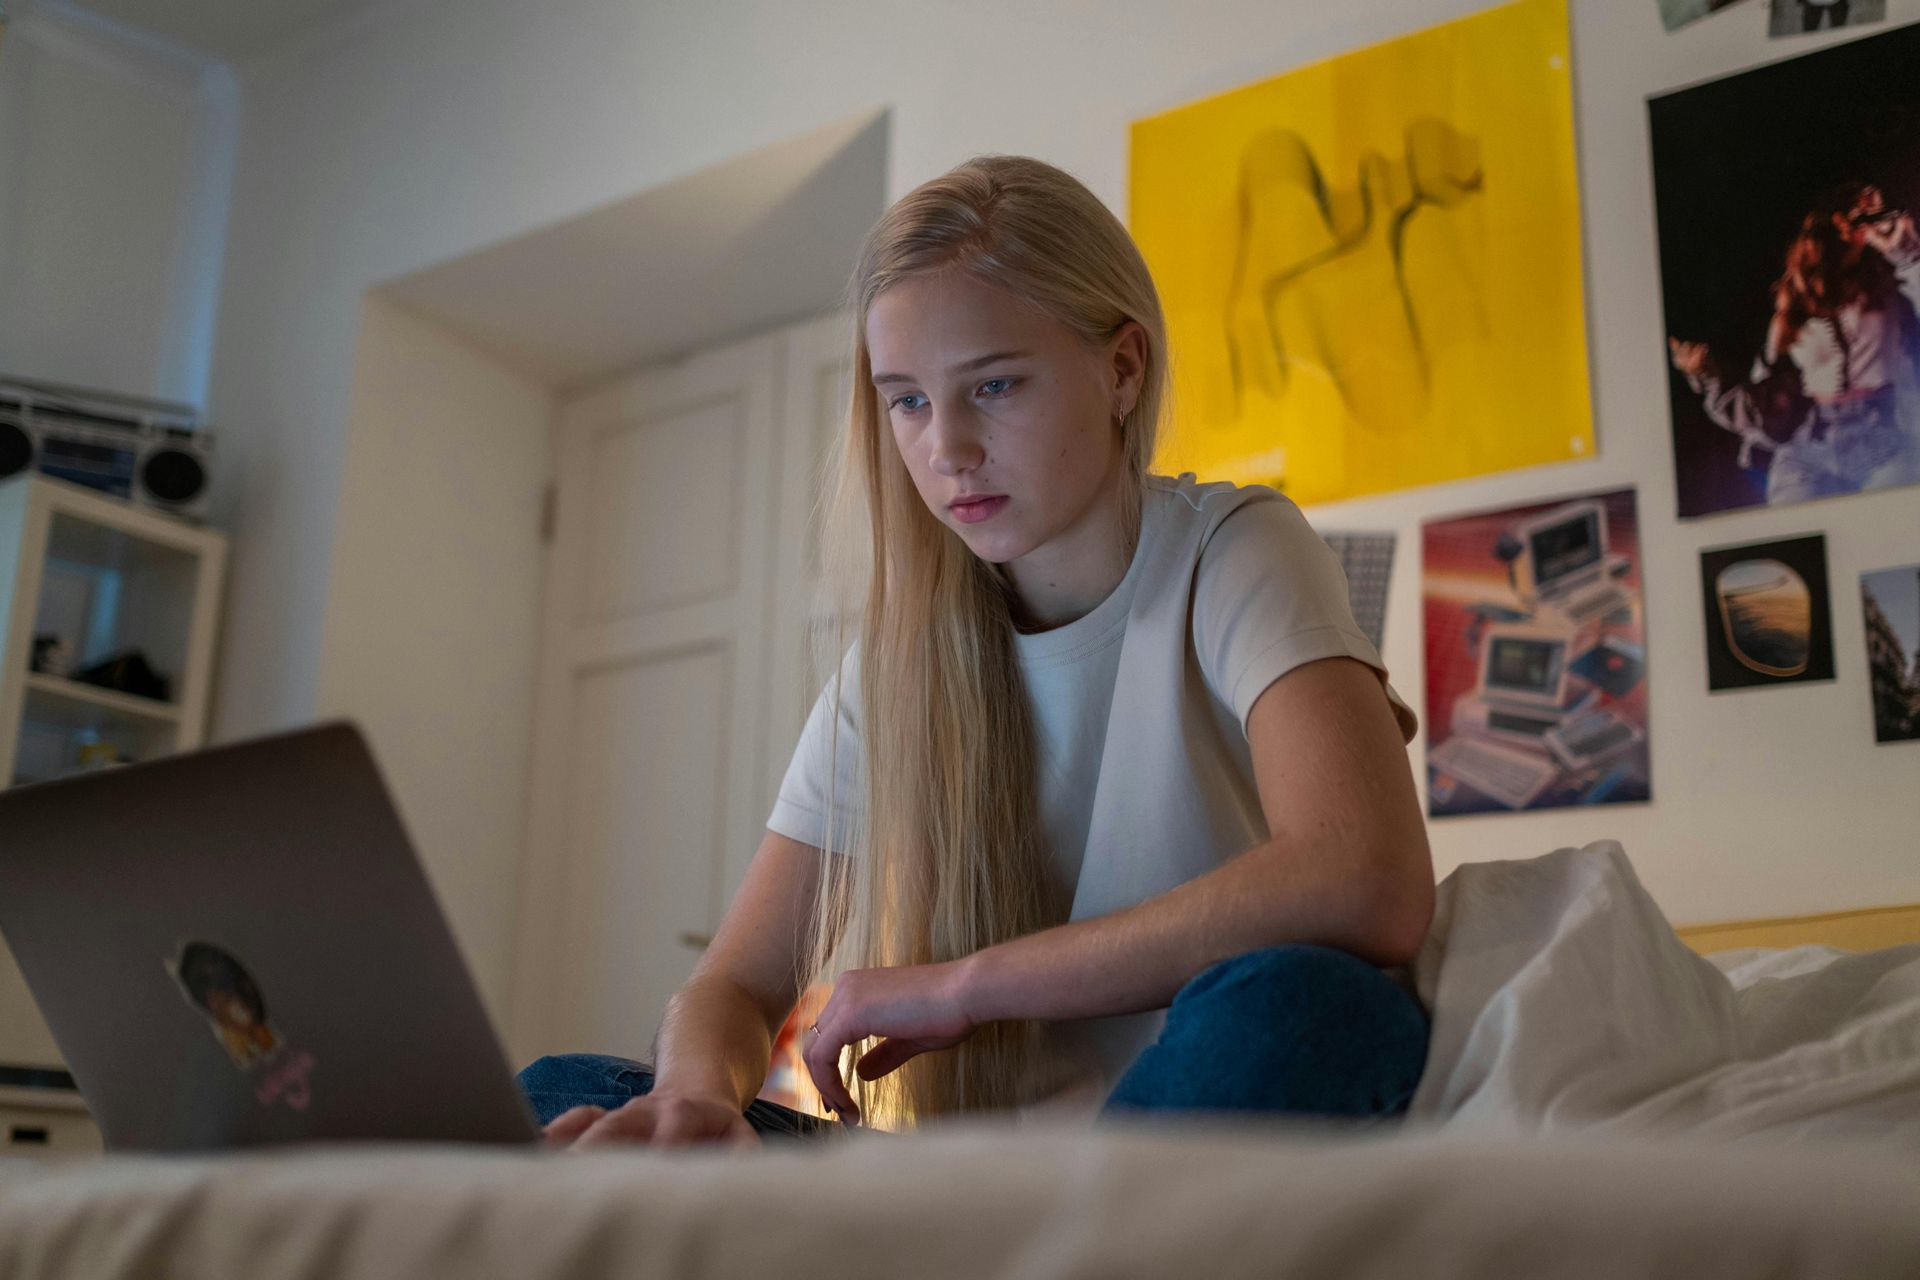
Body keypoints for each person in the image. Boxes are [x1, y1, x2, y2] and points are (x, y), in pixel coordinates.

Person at [519, 154, 1436, 1150]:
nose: (946, 446)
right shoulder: (895, 666)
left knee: (1304, 1005)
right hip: (974, 1180)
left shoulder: (1233, 546)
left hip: (1173, 1126)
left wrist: (962, 987)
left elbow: (1369, 876)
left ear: (1122, 369)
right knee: (562, 1087)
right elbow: (733, 985)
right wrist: (693, 1094)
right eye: (907, 400)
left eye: (992, 384)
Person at [1669, 182, 1920, 506]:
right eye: (1849, 213)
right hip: (1811, 443)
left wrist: (1907, 253)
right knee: (1793, 525)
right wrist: (1708, 375)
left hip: (1884, 435)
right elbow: (1762, 405)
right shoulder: (1791, 315)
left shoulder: (1887, 288)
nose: (1857, 223)